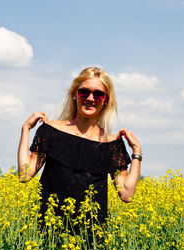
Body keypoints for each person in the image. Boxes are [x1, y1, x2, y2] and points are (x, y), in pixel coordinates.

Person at [17, 66, 141, 230]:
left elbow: (126, 194)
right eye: (84, 92)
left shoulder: (111, 144)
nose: (90, 98)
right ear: (74, 94)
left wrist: (136, 152)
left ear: (106, 100)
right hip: (50, 236)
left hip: (91, 242)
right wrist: (25, 129)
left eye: (98, 94)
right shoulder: (51, 131)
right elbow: (25, 174)